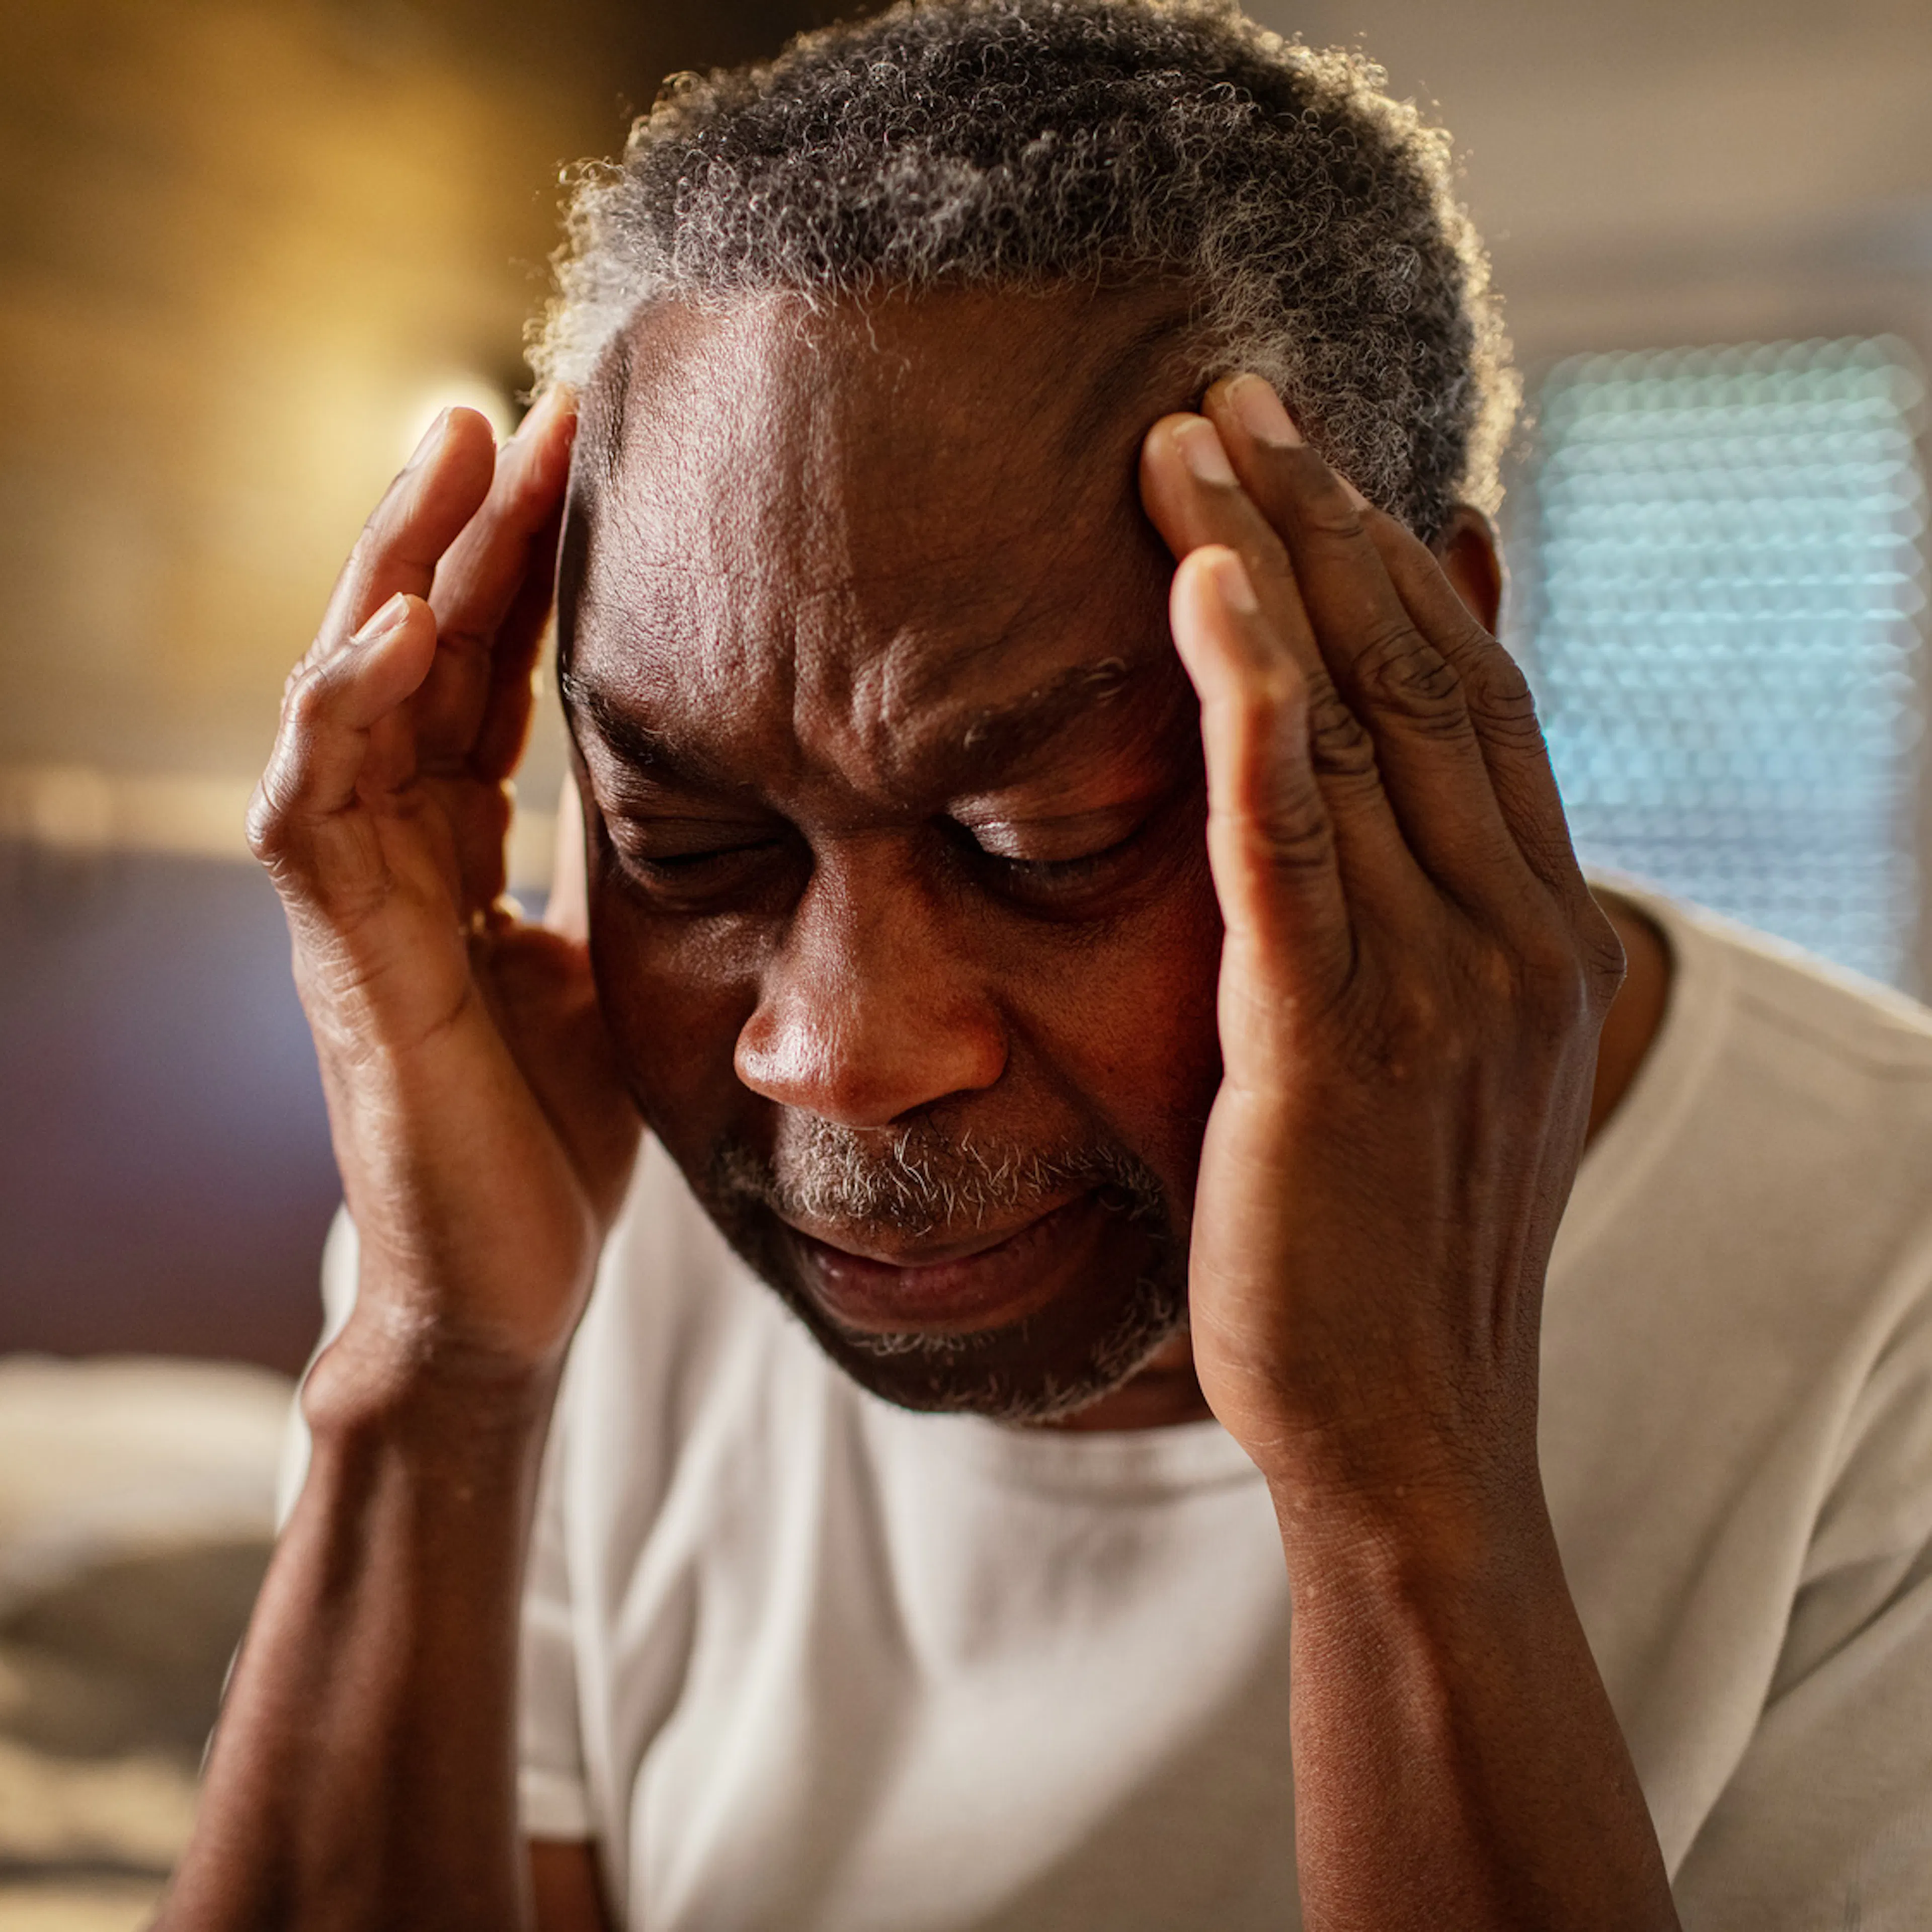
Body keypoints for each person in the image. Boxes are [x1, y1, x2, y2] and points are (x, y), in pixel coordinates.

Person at [157, 3, 1932, 1927]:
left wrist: (1401, 1487)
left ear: (1417, 678)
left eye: (1045, 843)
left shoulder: (1882, 1289)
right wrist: (434, 1371)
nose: (829, 1055)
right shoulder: (560, 1186)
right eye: (691, 846)